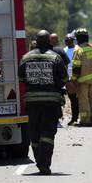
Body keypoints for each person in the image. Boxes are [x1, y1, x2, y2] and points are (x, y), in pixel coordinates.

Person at [18, 30, 68, 175]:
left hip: (32, 103)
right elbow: (65, 79)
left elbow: (21, 79)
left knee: (34, 133)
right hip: (51, 102)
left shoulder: (26, 58)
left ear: (36, 41)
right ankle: (44, 163)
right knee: (47, 133)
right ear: (49, 41)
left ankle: (39, 161)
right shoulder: (56, 58)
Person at [70, 28, 92, 126]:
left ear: (78, 38)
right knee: (91, 99)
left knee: (83, 100)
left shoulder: (78, 50)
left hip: (82, 80)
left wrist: (73, 79)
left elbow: (76, 67)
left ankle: (85, 120)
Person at [64, 33, 79, 125]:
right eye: (67, 41)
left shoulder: (77, 49)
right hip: (69, 79)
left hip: (78, 78)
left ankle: (81, 117)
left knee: (81, 99)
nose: (68, 42)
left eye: (70, 40)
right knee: (73, 100)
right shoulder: (64, 50)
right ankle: (75, 117)